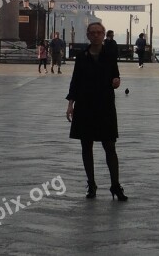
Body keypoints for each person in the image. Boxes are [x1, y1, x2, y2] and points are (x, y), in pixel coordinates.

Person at [65, 22, 127, 201]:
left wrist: (116, 81)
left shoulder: (110, 55)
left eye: (99, 33)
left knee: (110, 146)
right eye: (93, 33)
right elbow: (75, 81)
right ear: (88, 35)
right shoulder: (82, 56)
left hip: (105, 104)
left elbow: (116, 76)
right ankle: (91, 184)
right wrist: (71, 104)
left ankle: (115, 185)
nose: (96, 35)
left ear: (104, 34)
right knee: (86, 146)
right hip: (85, 105)